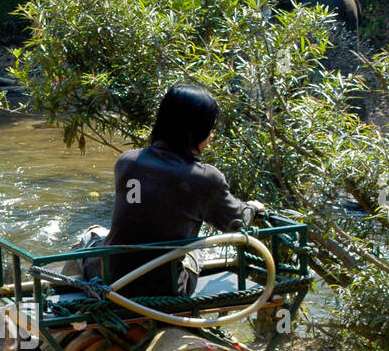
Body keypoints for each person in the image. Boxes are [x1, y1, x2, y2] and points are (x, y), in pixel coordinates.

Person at [96, 82, 265, 297]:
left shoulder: (127, 162)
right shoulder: (205, 178)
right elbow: (235, 222)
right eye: (209, 128)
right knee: (197, 247)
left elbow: (137, 206)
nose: (211, 136)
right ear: (193, 131)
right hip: (165, 288)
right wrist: (253, 207)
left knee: (93, 234)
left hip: (114, 277)